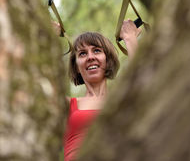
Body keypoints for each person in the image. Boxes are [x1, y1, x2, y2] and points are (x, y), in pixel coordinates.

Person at [53, 20, 141, 161]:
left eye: (97, 50)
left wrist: (130, 38)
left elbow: (144, 80)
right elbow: (31, 86)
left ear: (108, 59)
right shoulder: (68, 105)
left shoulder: (122, 99)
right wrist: (48, 39)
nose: (90, 57)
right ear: (76, 67)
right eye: (82, 54)